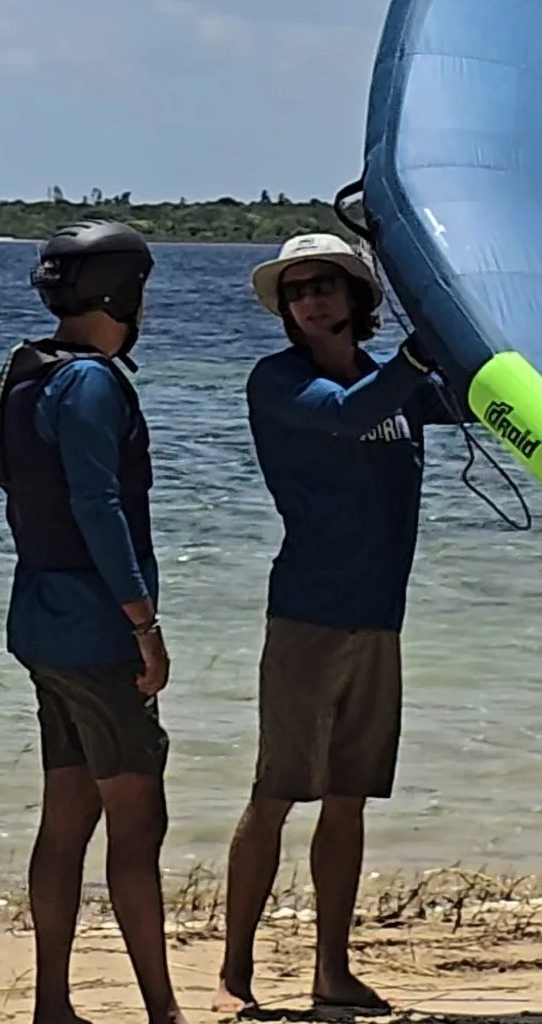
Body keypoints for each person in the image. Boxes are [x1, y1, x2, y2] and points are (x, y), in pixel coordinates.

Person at [214, 232, 456, 1018]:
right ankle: (236, 964)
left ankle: (332, 970)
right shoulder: (278, 380)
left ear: (358, 299)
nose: (311, 299)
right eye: (296, 290)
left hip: (380, 618)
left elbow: (480, 400)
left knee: (349, 797)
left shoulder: (397, 385)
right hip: (307, 616)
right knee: (279, 791)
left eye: (325, 284)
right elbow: (353, 414)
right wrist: (421, 358)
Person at [0, 219, 187, 1024]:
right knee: (139, 822)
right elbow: (98, 507)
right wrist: (144, 621)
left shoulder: (21, 374)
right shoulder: (94, 383)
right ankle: (164, 1011)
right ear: (125, 294)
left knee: (66, 815)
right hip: (97, 627)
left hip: (38, 616)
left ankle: (52, 1004)